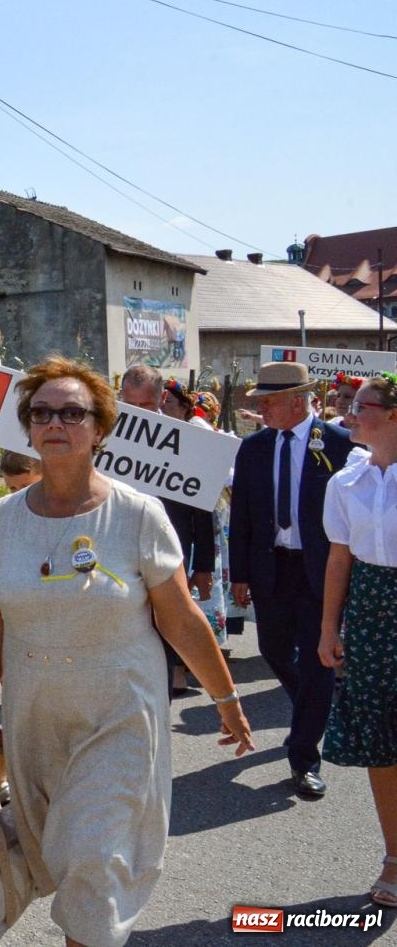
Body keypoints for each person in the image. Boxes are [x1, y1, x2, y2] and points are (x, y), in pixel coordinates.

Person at [0, 356, 252, 947]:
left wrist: (226, 698)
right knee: (64, 862)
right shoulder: (0, 520)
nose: (56, 423)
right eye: (42, 413)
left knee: (95, 866)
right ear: (27, 427)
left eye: (72, 413)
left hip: (120, 717)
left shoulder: (137, 515)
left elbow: (180, 617)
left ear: (100, 428)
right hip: (36, 722)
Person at [230, 361, 354, 799]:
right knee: (274, 650)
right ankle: (314, 708)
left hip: (322, 570)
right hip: (271, 567)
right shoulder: (255, 448)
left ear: (298, 401)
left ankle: (304, 757)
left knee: (320, 658)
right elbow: (241, 512)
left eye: (269, 401)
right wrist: (238, 573)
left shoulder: (339, 444)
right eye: (260, 402)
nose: (262, 409)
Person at [318, 372, 397, 908]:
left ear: (392, 414)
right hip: (370, 612)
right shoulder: (345, 482)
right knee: (381, 740)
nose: (347, 412)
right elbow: (339, 557)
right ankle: (395, 855)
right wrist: (328, 627)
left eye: (359, 405)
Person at [119, 366, 216, 694]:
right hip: (121, 540)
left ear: (161, 399)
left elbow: (202, 509)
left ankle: (173, 669)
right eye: (126, 403)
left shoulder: (186, 440)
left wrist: (203, 566)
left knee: (170, 608)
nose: (134, 413)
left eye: (143, 406)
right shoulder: (108, 433)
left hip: (172, 541)